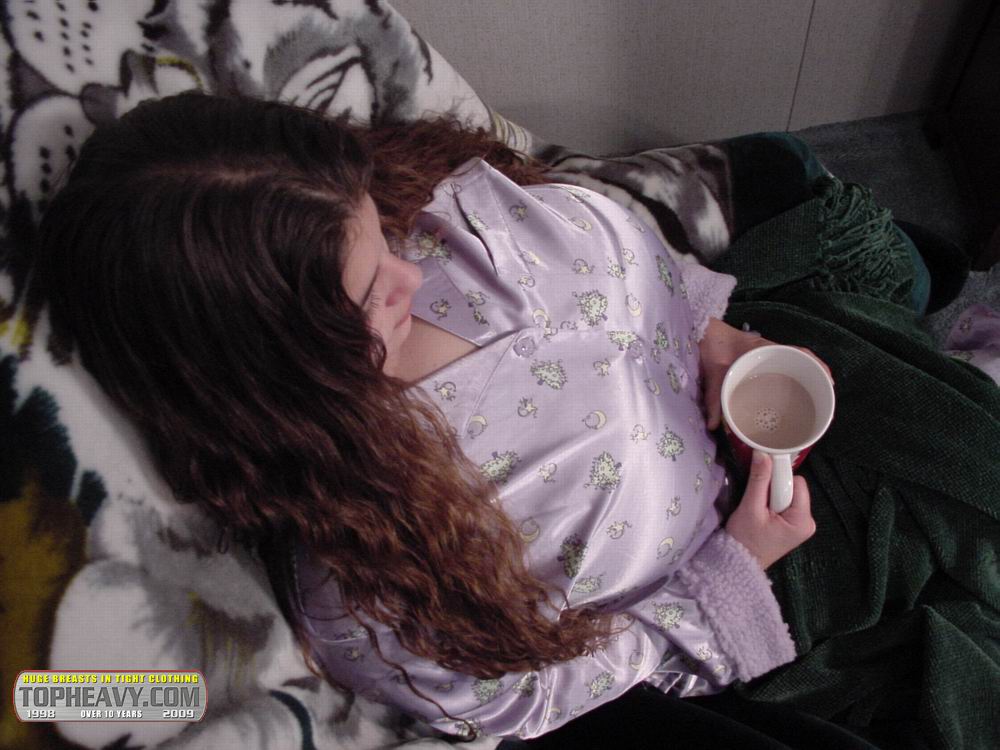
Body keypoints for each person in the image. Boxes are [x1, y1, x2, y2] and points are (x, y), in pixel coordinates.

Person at [32, 91, 996, 747]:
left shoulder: (443, 213)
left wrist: (714, 335)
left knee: (920, 341)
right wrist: (734, 573)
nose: (408, 272)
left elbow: (641, 260)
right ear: (272, 379)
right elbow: (528, 699)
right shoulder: (375, 586)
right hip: (754, 576)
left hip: (759, 383)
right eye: (369, 293)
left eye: (376, 227)